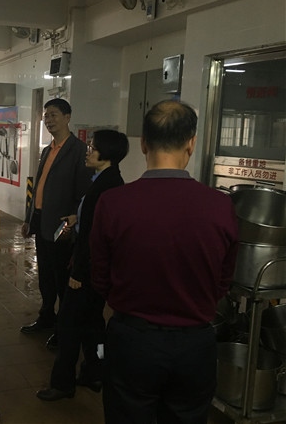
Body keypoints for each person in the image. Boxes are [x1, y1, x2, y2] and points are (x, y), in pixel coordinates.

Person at [90, 100, 239, 424]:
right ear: (191, 143)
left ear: (143, 144)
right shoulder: (220, 206)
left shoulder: (113, 203)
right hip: (195, 345)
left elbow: (99, 276)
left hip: (132, 340)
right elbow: (224, 279)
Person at [37, 129, 129, 401]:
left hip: (87, 269)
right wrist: (77, 218)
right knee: (93, 323)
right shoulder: (105, 180)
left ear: (106, 154)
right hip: (96, 268)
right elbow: (94, 221)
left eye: (93, 148)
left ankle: (63, 383)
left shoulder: (106, 186)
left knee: (68, 325)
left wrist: (77, 272)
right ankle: (95, 371)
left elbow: (93, 236)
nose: (88, 152)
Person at [20, 98, 90, 347]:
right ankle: (46, 316)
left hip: (62, 226)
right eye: (46, 116)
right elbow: (38, 186)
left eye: (53, 115)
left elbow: (83, 192)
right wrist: (29, 218)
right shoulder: (47, 150)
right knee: (46, 277)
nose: (48, 120)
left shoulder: (79, 151)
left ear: (67, 117)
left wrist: (73, 220)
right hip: (42, 221)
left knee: (62, 280)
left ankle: (64, 328)